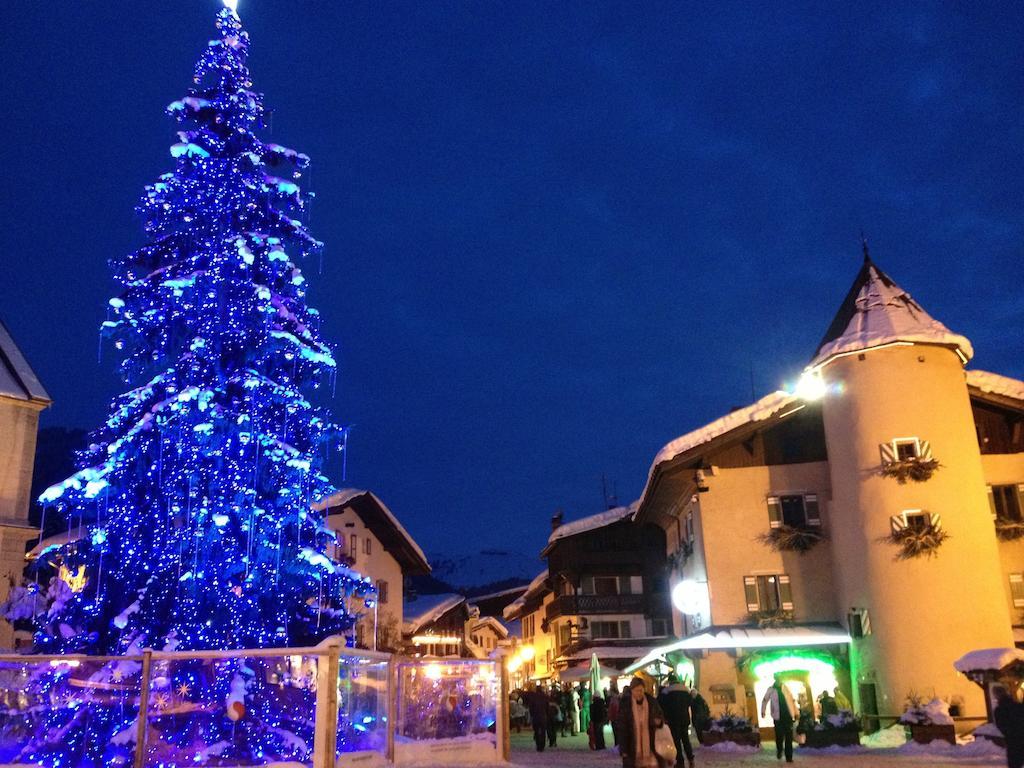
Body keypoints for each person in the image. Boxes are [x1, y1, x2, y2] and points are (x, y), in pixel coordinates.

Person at [616, 676, 666, 768]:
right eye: (636, 690)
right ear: (632, 691)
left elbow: (660, 716)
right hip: (632, 747)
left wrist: (659, 722)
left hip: (651, 747)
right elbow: (622, 728)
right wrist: (623, 749)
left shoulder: (652, 702)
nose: (639, 693)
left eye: (641, 690)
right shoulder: (626, 705)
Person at [659, 674, 695, 768]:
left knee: (676, 741)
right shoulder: (686, 690)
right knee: (686, 739)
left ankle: (680, 761)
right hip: (684, 718)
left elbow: (662, 704)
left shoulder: (666, 692)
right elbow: (690, 702)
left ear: (670, 682)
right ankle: (691, 759)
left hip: (673, 719)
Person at [761, 673, 797, 763]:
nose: (779, 680)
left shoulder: (786, 688)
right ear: (775, 679)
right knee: (779, 736)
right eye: (777, 678)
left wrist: (796, 712)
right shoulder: (771, 690)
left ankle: (789, 757)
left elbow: (792, 700)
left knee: (789, 737)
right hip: (777, 717)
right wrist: (763, 711)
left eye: (780, 678)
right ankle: (780, 750)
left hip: (788, 716)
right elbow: (765, 700)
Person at [994, 685, 1024, 768]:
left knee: (1014, 764)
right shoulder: (1018, 706)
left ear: (997, 696)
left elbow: (1002, 726)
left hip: (1013, 742)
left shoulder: (999, 710)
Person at [525, 684, 550, 752]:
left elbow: (531, 707)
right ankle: (542, 745)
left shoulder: (533, 697)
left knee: (536, 731)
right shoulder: (545, 697)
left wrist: (532, 714)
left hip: (536, 716)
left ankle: (538, 745)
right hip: (543, 716)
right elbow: (547, 707)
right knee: (543, 731)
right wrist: (547, 714)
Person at [609, 680, 622, 746]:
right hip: (615, 718)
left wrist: (612, 717)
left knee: (616, 733)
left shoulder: (614, 700)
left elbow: (614, 709)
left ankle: (617, 744)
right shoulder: (617, 699)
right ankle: (617, 744)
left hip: (615, 718)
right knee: (616, 733)